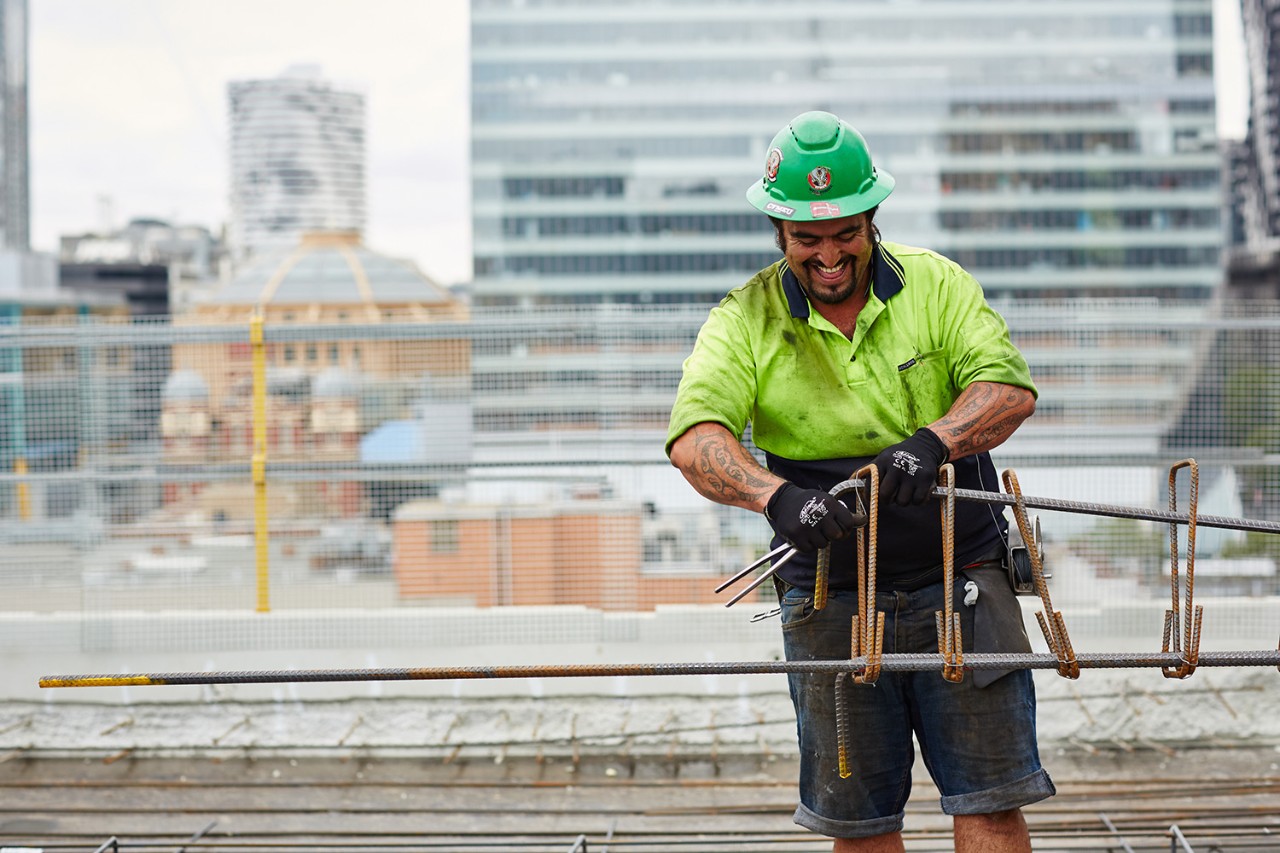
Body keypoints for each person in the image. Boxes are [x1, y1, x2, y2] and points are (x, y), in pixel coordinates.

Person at [665, 111, 1054, 853]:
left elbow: (1008, 388)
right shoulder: (744, 318)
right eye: (808, 238)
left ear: (872, 218)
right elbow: (695, 439)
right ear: (780, 232)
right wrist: (773, 496)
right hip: (830, 598)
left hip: (962, 581)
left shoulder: (936, 285)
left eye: (847, 232)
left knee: (992, 803)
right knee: (861, 823)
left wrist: (933, 442)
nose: (830, 254)